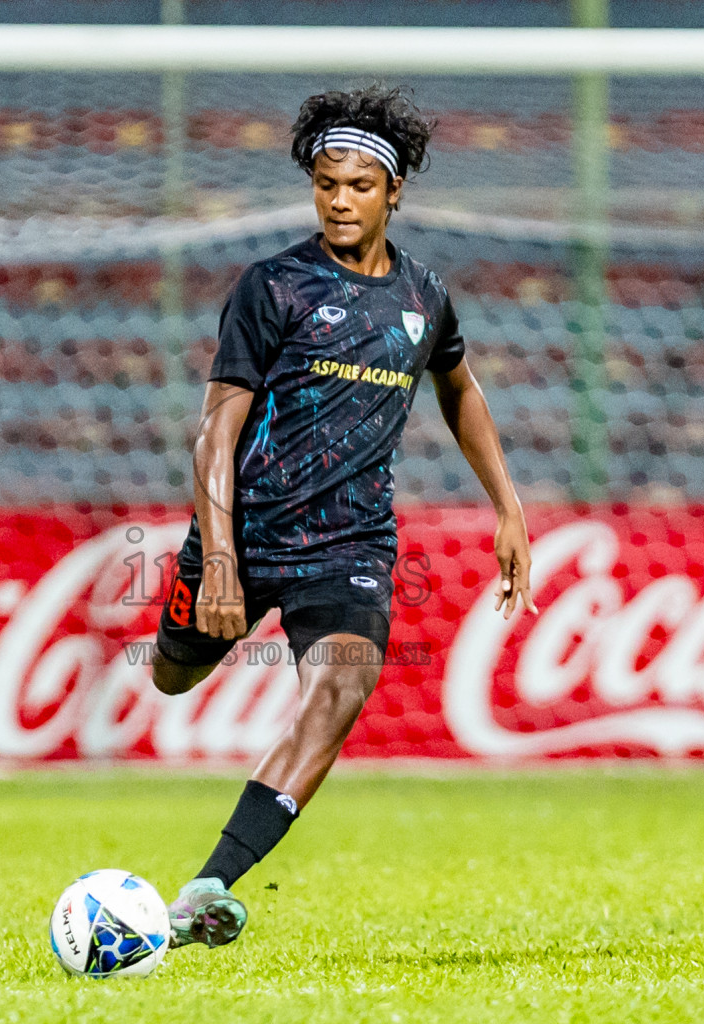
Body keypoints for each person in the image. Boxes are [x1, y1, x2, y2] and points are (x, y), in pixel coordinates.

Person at [150, 84, 535, 950]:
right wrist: (217, 558)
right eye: (327, 184)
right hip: (245, 536)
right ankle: (204, 609)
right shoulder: (274, 286)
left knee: (341, 689)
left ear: (394, 192)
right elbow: (217, 426)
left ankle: (206, 887)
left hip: (352, 547)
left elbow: (461, 388)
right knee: (171, 676)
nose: (340, 200)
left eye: (360, 185)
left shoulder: (425, 298)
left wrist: (508, 506)